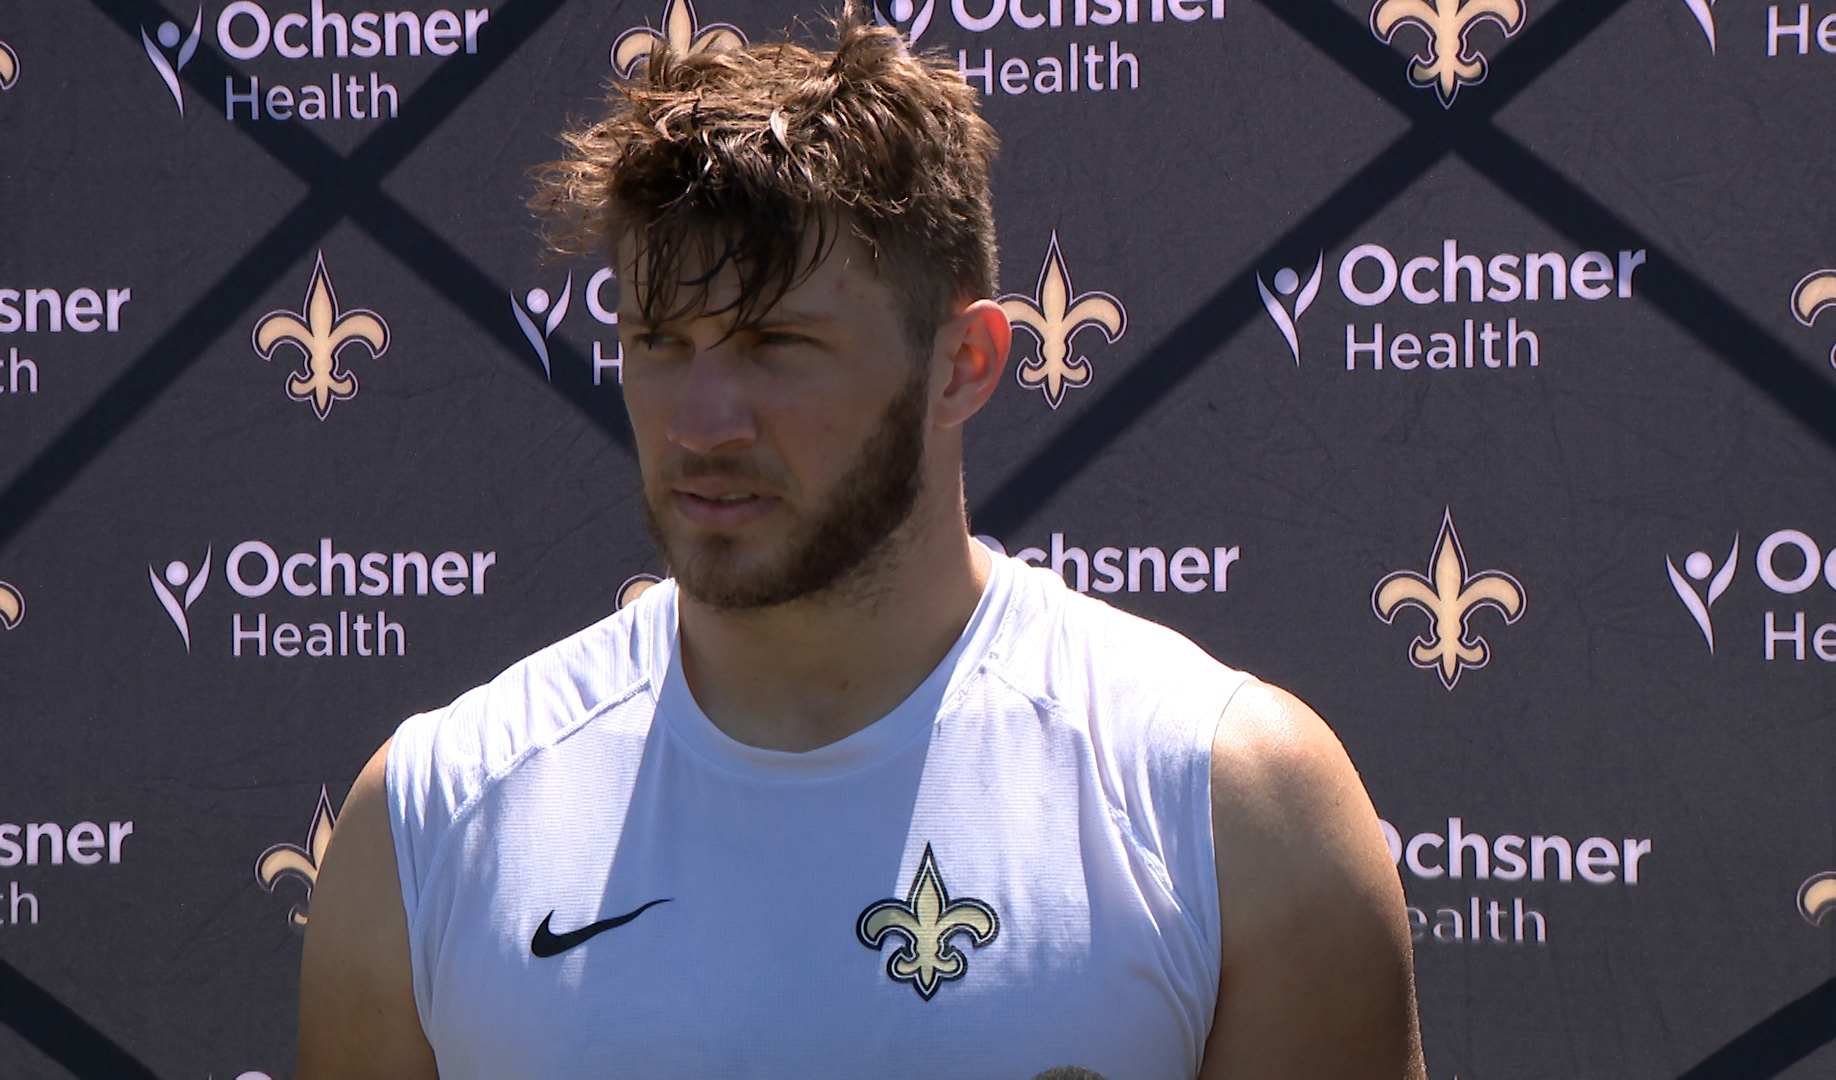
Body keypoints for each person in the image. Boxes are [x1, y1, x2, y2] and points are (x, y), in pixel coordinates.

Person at [295, 9, 1425, 1078]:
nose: (702, 422)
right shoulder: (434, 820)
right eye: (660, 341)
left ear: (965, 363)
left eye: (778, 343)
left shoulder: (1229, 807)